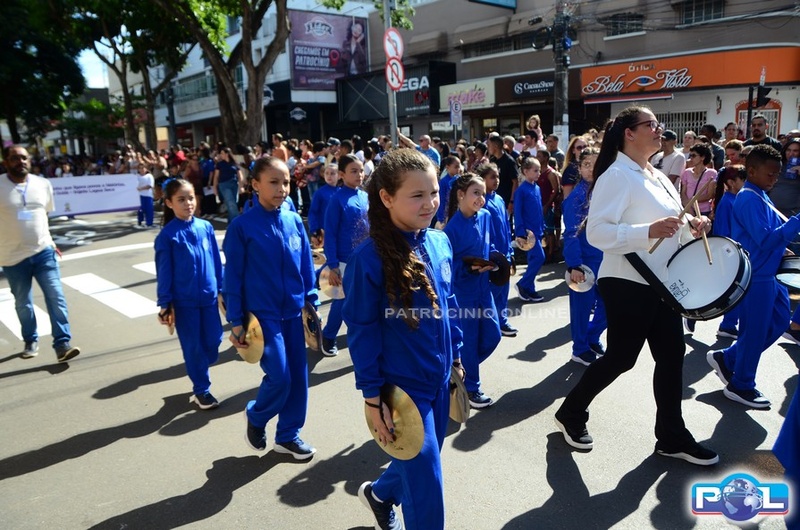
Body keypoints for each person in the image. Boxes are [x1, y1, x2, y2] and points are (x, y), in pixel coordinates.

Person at [554, 106, 719, 466]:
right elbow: (597, 232)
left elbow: (674, 222)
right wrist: (647, 231)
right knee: (621, 358)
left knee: (671, 356)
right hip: (627, 281)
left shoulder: (657, 175)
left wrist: (693, 225)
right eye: (651, 124)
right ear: (629, 133)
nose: (660, 129)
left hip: (662, 282)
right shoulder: (616, 174)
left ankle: (671, 436)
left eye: (658, 124)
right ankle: (571, 411)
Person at [342, 149, 464, 530]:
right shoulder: (368, 259)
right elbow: (361, 330)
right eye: (417, 195)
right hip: (403, 392)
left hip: (439, 380)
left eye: (434, 192)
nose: (429, 203)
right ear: (386, 197)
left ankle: (380, 495)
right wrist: (372, 396)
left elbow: (449, 303)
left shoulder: (440, 242)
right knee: (427, 483)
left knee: (422, 460)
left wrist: (456, 357)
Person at [223, 157, 319, 458]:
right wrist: (236, 322)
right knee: (280, 377)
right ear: (255, 185)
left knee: (298, 378)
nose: (282, 188)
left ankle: (288, 435)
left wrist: (311, 301)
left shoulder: (293, 220)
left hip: (293, 311)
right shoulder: (241, 227)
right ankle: (256, 415)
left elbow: (305, 263)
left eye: (286, 182)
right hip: (262, 317)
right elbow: (233, 277)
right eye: (274, 182)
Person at [706, 145, 800, 409]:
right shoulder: (748, 198)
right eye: (770, 174)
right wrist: (795, 223)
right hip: (757, 275)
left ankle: (729, 358)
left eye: (777, 174)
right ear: (752, 170)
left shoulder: (760, 194)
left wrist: (783, 244)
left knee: (779, 322)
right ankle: (741, 384)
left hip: (770, 273)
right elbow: (765, 239)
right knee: (755, 331)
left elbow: (769, 235)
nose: (775, 179)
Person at [0, 145, 80, 362]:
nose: (21, 162)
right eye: (15, 158)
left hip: (43, 251)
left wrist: (50, 242)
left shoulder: (42, 184)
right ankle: (30, 340)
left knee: (56, 295)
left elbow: (43, 215)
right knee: (23, 303)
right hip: (12, 257)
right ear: (6, 162)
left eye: (24, 158)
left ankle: (62, 344)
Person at [155, 179, 223, 409]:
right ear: (169, 203)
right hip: (184, 303)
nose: (188, 203)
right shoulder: (167, 236)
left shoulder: (206, 227)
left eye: (191, 198)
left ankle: (200, 367)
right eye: (181, 199)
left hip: (209, 298)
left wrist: (222, 288)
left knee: (214, 342)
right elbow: (164, 272)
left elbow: (216, 260)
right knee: (193, 347)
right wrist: (165, 303)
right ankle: (202, 390)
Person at [444, 173, 502, 408]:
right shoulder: (451, 229)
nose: (481, 198)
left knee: (494, 335)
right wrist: (469, 268)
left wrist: (496, 259)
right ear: (461, 195)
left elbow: (490, 245)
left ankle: (456, 371)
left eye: (483, 194)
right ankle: (471, 388)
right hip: (463, 294)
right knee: (468, 341)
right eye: (475, 193)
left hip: (484, 289)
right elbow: (448, 269)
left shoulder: (486, 216)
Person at [562, 147, 607, 366]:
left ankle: (592, 336)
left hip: (604, 259)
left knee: (608, 305)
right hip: (584, 262)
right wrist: (575, 265)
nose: (591, 169)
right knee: (581, 310)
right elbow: (570, 233)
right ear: (579, 168)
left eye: (596, 165)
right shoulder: (576, 196)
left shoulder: (603, 191)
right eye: (587, 164)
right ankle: (579, 349)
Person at [322, 154, 369, 356]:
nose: (359, 175)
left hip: (365, 258)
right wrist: (333, 265)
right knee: (341, 301)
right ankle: (328, 336)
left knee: (364, 300)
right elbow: (330, 233)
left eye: (361, 170)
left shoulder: (365, 196)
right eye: (354, 171)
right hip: (343, 260)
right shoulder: (336, 200)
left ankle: (360, 335)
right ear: (342, 174)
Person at [479, 162, 517, 338]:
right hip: (493, 256)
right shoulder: (482, 202)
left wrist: (511, 251)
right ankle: (489, 324)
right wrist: (491, 255)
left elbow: (506, 227)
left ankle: (502, 321)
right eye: (492, 177)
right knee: (493, 291)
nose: (496, 180)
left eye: (498, 176)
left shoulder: (500, 199)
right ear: (483, 179)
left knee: (504, 290)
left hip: (505, 253)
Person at [710, 165, 747, 340]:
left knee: (733, 291)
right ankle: (728, 325)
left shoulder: (736, 199)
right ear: (731, 182)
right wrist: (732, 254)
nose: (746, 183)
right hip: (730, 252)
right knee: (734, 291)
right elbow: (724, 232)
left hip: (734, 251)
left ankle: (728, 324)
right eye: (743, 179)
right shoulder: (727, 202)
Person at [514, 157, 546, 303]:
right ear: (525, 171)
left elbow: (539, 210)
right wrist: (520, 232)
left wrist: (543, 227)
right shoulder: (521, 190)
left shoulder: (537, 188)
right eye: (535, 170)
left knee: (533, 260)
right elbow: (518, 212)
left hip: (538, 231)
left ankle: (530, 289)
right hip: (528, 233)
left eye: (539, 170)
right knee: (539, 258)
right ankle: (523, 283)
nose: (538, 173)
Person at [307, 163, 340, 249]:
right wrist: (315, 231)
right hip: (325, 231)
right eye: (327, 173)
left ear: (340, 176)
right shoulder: (319, 193)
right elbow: (313, 212)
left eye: (332, 173)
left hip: (339, 231)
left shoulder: (341, 192)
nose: (329, 176)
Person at [680, 144, 717, 216]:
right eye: (690, 156)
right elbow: (683, 193)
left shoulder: (711, 173)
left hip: (704, 211)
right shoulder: (687, 172)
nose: (691, 159)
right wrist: (689, 208)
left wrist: (692, 201)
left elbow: (709, 195)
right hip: (688, 210)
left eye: (693, 156)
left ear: (702, 157)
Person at [212, 147, 243, 222]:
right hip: (224, 184)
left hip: (234, 184)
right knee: (231, 203)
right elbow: (216, 176)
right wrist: (215, 188)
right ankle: (237, 222)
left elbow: (240, 175)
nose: (221, 155)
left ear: (227, 154)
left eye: (222, 153)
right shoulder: (220, 164)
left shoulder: (234, 163)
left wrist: (241, 186)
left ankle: (231, 223)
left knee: (233, 203)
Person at [435, 155, 461, 228]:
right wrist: (441, 218)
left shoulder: (460, 180)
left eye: (459, 167)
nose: (458, 169)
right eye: (456, 167)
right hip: (446, 216)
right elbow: (441, 200)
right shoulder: (443, 182)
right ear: (447, 167)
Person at [135, 163, 155, 229]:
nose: (142, 169)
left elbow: (150, 185)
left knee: (149, 210)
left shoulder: (149, 176)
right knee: (140, 209)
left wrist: (141, 188)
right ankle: (140, 221)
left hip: (148, 195)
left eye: (143, 168)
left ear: (146, 169)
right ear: (138, 169)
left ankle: (149, 223)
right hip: (139, 195)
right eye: (140, 168)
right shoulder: (136, 176)